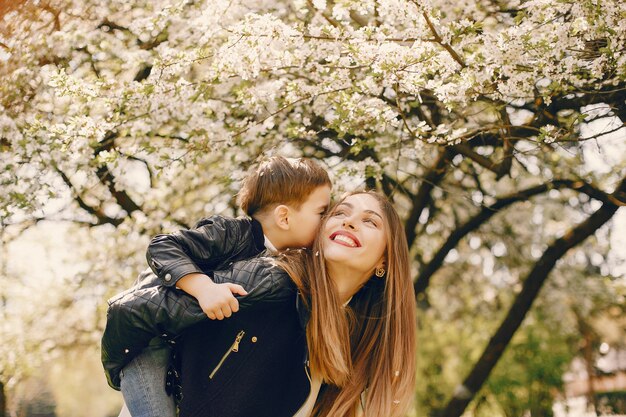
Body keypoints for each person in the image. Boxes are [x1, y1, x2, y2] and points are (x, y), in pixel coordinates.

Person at [102, 191, 417, 417]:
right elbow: (132, 311)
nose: (349, 223)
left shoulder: (354, 341)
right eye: (340, 213)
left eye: (370, 222)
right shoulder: (271, 280)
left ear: (385, 263)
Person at [105, 156, 332, 417]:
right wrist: (203, 288)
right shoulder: (232, 233)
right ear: (284, 217)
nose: (327, 221)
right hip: (148, 346)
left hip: (181, 360)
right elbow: (162, 247)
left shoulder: (287, 264)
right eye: (321, 212)